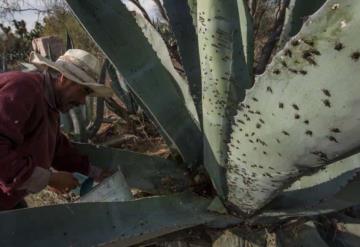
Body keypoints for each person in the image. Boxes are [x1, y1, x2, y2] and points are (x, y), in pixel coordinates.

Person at [0, 49, 114, 210]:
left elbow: (56, 149)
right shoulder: (22, 89)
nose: (82, 101)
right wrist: (50, 179)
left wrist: (94, 173)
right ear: (64, 79)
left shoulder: (49, 105)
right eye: (84, 91)